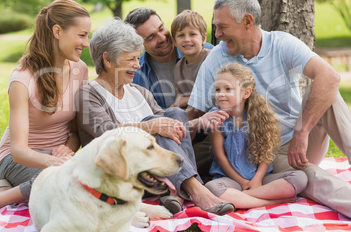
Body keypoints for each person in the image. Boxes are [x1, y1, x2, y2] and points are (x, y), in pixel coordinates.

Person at [187, 0, 351, 223]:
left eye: (222, 26)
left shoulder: (282, 43)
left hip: (300, 142)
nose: (217, 34)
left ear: (247, 21)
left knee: (327, 88)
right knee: (314, 179)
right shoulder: (216, 60)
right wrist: (168, 126)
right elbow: (194, 114)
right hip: (270, 156)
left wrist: (302, 133)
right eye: (216, 27)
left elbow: (330, 77)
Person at [76, 18, 233, 216]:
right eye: (131, 59)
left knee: (175, 114)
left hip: (150, 175)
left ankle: (177, 194)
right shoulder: (89, 94)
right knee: (156, 122)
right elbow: (105, 131)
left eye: (137, 58)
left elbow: (170, 126)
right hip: (116, 176)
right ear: (107, 59)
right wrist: (151, 127)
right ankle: (195, 190)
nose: (137, 65)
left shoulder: (139, 92)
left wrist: (200, 122)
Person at [0, 0, 91, 214]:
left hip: (58, 158)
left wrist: (67, 149)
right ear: (57, 31)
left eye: (87, 35)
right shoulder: (22, 79)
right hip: (18, 160)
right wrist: (53, 161)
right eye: (81, 35)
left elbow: (75, 130)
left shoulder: (81, 70)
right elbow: (19, 150)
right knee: (67, 187)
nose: (86, 43)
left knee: (86, 183)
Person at [204, 63, 307, 209]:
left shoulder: (259, 116)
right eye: (217, 89)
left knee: (299, 178)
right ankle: (269, 201)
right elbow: (221, 157)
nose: (221, 94)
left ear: (246, 93)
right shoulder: (217, 117)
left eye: (228, 89)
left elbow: (267, 152)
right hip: (230, 180)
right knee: (211, 188)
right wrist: (243, 182)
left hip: (259, 179)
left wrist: (256, 180)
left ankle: (241, 199)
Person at [124, 7, 213, 109]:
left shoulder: (206, 52)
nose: (162, 38)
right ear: (139, 46)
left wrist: (190, 99)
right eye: (151, 37)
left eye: (161, 29)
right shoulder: (137, 76)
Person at [170, 10, 211, 109]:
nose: (187, 39)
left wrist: (187, 100)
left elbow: (215, 94)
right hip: (192, 112)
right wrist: (177, 103)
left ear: (203, 38)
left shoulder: (210, 59)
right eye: (181, 35)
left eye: (192, 34)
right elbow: (180, 95)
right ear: (174, 41)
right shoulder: (179, 67)